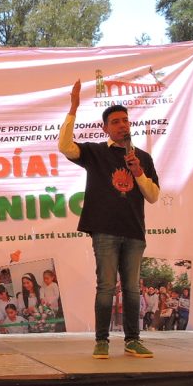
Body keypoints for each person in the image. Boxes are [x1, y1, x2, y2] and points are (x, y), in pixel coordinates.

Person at [59, 79, 160, 359]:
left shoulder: (142, 158)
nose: (122, 125)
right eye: (115, 122)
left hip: (134, 231)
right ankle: (101, 341)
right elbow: (65, 146)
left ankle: (132, 340)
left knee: (132, 290)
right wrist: (73, 108)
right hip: (104, 231)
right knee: (105, 286)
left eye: (125, 120)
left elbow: (153, 195)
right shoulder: (96, 152)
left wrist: (138, 172)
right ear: (105, 128)